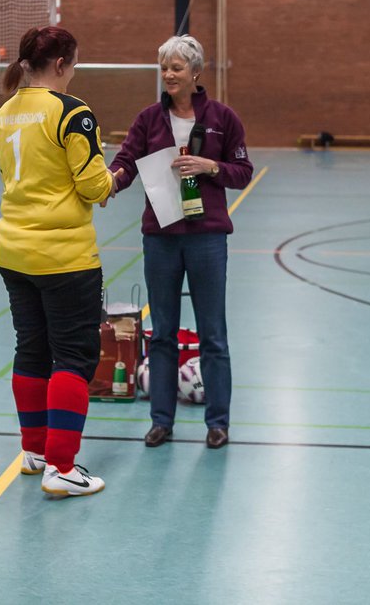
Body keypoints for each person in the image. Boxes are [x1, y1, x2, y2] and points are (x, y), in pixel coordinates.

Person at [109, 35, 253, 451]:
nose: (168, 75)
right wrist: (109, 184)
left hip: (207, 237)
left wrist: (211, 166)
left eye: (176, 68)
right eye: (164, 68)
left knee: (213, 332)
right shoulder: (148, 119)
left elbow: (243, 171)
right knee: (163, 334)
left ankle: (218, 422)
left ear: (196, 73)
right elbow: (125, 162)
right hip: (161, 238)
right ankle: (161, 421)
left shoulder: (223, 118)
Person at [0, 26, 117, 498]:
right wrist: (113, 177)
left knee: (31, 349)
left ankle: (35, 452)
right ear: (62, 64)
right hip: (64, 256)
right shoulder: (73, 112)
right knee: (73, 357)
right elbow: (92, 186)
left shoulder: (5, 113)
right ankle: (62, 467)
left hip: (13, 250)